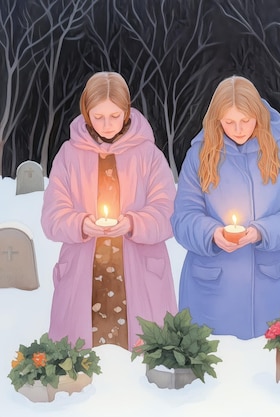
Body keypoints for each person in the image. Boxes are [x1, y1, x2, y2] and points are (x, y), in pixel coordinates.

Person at [41, 71, 178, 350]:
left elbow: (168, 212)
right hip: (84, 273)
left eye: (114, 116)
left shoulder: (149, 155)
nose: (106, 124)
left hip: (139, 272)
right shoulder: (69, 155)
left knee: (143, 356)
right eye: (98, 116)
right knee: (81, 358)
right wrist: (79, 223)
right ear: (86, 113)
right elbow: (52, 215)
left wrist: (133, 223)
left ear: (127, 112)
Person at [171, 75, 280, 340]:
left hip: (276, 289)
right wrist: (211, 233)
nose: (238, 129)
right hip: (212, 294)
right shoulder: (199, 155)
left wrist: (262, 231)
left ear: (258, 114)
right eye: (229, 122)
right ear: (217, 120)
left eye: (245, 120)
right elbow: (183, 218)